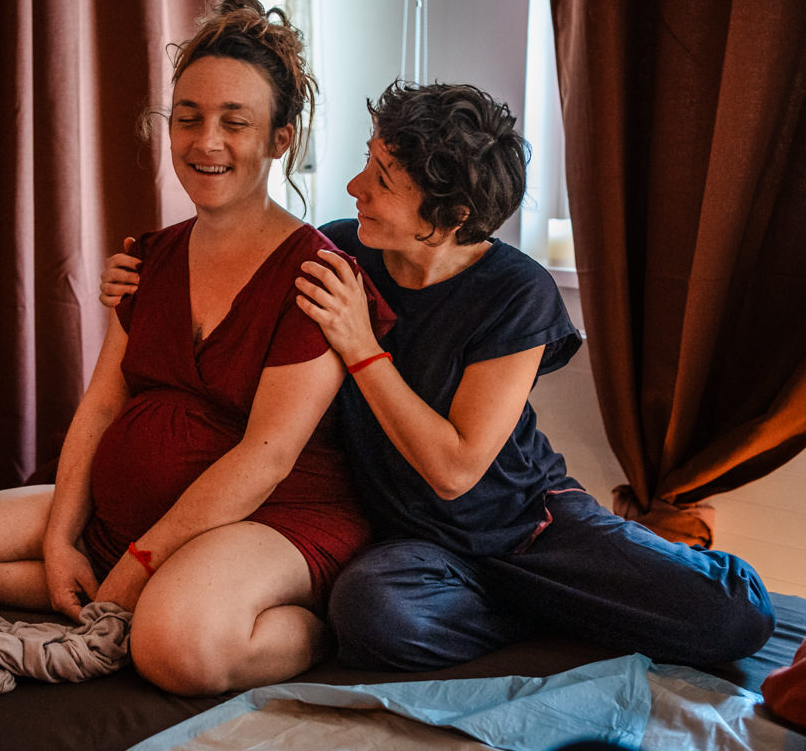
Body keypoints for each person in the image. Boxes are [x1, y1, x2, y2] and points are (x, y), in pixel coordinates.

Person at [101, 80, 775, 673]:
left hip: (528, 525)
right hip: (414, 545)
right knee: (368, 615)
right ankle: (529, 612)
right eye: (368, 162)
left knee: (734, 618)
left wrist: (362, 347)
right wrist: (141, 275)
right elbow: (240, 271)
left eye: (382, 179)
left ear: (451, 217)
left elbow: (455, 471)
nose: (355, 186)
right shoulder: (340, 250)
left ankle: (551, 593)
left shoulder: (517, 292)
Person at [0, 0, 390, 697]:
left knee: (176, 651)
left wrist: (139, 564)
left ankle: (310, 625)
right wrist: (60, 541)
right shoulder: (147, 259)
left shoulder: (315, 275)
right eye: (188, 118)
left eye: (235, 122)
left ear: (280, 139)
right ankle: (149, 593)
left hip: (272, 516)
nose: (206, 142)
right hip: (137, 520)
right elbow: (101, 406)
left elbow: (266, 458)